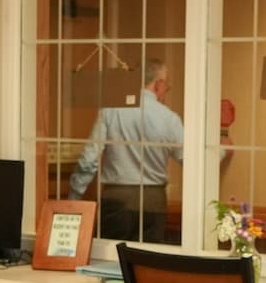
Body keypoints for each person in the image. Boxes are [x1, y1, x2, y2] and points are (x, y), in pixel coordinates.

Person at [70, 58, 183, 242]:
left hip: (116, 197)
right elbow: (189, 159)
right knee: (148, 262)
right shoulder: (170, 119)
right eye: (166, 88)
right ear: (158, 84)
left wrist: (74, 196)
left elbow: (89, 159)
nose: (165, 93)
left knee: (107, 256)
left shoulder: (111, 111)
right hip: (153, 200)